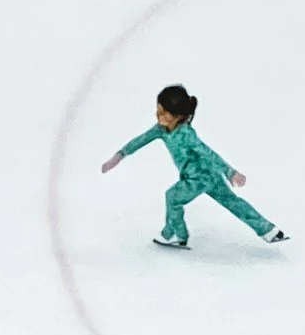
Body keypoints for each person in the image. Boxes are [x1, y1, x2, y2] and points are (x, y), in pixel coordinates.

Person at [101, 83, 287, 251]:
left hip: (198, 178)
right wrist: (119, 155)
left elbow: (207, 152)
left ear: (179, 116)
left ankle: (175, 235)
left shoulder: (186, 134)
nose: (160, 116)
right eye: (159, 110)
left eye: (165, 113)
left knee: (173, 197)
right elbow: (139, 141)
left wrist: (231, 172)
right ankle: (268, 230)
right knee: (232, 202)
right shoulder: (161, 129)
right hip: (207, 176)